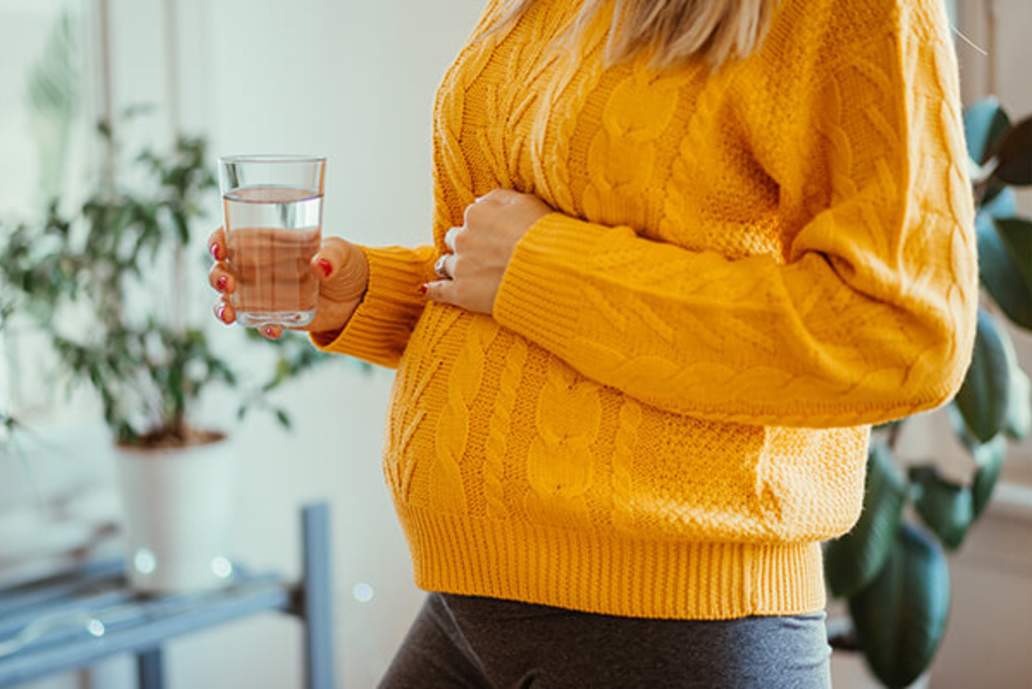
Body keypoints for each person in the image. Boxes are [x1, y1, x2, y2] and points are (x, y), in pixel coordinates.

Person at [208, 0, 978, 685]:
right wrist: (368, 289)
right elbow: (504, 269)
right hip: (468, 608)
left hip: (681, 633)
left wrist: (540, 266)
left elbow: (901, 331)